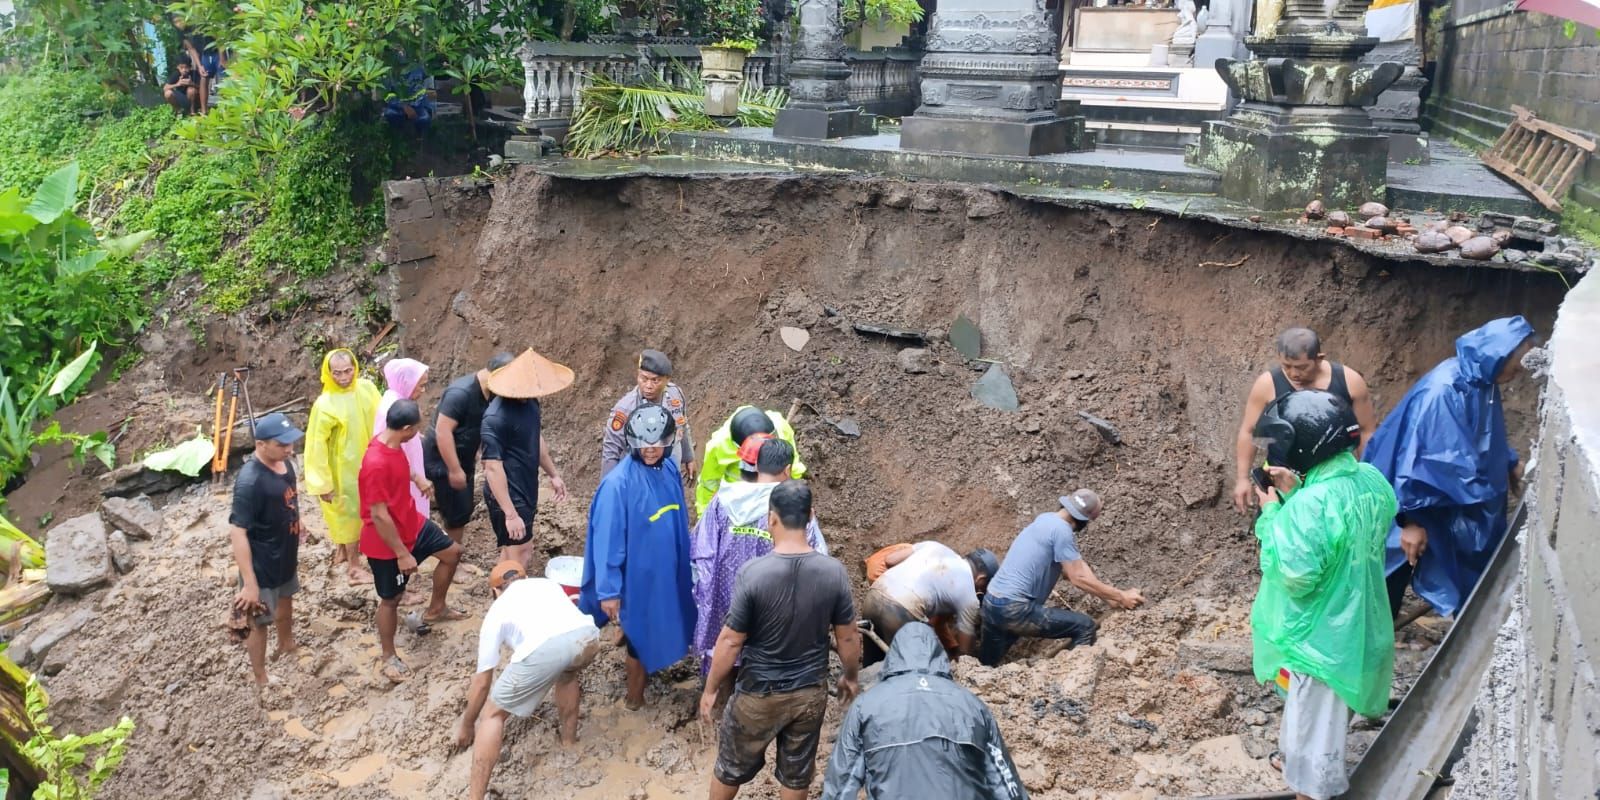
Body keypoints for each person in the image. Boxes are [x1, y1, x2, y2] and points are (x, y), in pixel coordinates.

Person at [1250, 389, 1397, 800]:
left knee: (1316, 721)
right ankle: (1297, 762)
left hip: (1321, 637)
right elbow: (1341, 531)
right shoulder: (1370, 479)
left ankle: (1310, 790)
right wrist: (1296, 494)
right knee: (1319, 712)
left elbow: (1296, 574)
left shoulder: (1309, 506)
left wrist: (1274, 512)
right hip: (1358, 622)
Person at [1362, 316, 1536, 620]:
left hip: (1439, 507)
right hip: (1408, 508)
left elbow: (1484, 436)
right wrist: (1410, 521)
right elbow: (1417, 466)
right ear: (1497, 355)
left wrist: (1509, 463)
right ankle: (1369, 649)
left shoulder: (1481, 382)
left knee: (1444, 564)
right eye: (1516, 366)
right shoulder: (1444, 392)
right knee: (1389, 577)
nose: (1516, 374)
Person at [700, 480, 860, 800]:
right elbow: (848, 636)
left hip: (758, 693)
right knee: (797, 775)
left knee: (730, 767)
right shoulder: (834, 572)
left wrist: (711, 688)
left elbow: (731, 641)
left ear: (770, 518)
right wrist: (851, 677)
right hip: (809, 693)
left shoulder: (753, 574)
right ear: (811, 516)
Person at [821, 622, 1028, 800]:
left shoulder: (865, 706)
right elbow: (1006, 786)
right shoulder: (973, 705)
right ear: (938, 655)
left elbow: (841, 785)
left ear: (893, 658)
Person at [578, 403, 697, 709]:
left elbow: (678, 516)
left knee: (665, 619)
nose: (650, 451)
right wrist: (609, 592)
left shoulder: (669, 468)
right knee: (638, 637)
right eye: (643, 445)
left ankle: (648, 654)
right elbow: (607, 542)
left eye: (657, 444)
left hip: (665, 572)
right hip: (637, 577)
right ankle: (634, 699)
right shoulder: (618, 485)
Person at [456, 561, 601, 800]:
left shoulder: (497, 609)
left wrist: (467, 723)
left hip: (548, 648)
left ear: (495, 591)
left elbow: (482, 682)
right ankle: (569, 742)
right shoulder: (547, 584)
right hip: (587, 637)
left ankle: (474, 797)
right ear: (523, 578)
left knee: (492, 715)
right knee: (567, 675)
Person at [691, 436, 828, 678]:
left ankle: (717, 696)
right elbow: (817, 556)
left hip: (727, 602)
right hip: (774, 603)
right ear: (787, 470)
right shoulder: (792, 505)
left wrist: (703, 596)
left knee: (727, 651)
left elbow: (701, 551)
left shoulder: (723, 500)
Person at [360, 399, 466, 683]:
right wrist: (402, 554)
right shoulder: (374, 463)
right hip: (386, 542)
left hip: (412, 524)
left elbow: (401, 466)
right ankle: (388, 656)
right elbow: (379, 515)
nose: (419, 429)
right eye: (416, 425)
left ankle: (437, 608)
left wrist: (417, 479)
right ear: (405, 428)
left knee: (452, 552)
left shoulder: (392, 444)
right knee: (391, 599)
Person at [977, 490, 1144, 667]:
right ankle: (1064, 681)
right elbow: (1077, 577)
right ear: (1083, 520)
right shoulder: (1063, 531)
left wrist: (1109, 598)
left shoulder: (1046, 519)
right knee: (1085, 627)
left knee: (986, 666)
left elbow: (1076, 567)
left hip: (992, 603)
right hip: (1015, 609)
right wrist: (1121, 596)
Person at [1233, 328, 1378, 513]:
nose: (1294, 374)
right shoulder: (1267, 384)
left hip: (1334, 482)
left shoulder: (1349, 381)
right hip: (1282, 481)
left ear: (1319, 358)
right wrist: (1242, 478)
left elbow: (1366, 430)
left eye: (1301, 367)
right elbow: (1248, 430)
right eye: (1286, 366)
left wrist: (1367, 475)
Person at [228, 413, 306, 690]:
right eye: (282, 444)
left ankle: (287, 644)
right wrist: (249, 583)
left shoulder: (284, 464)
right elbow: (238, 531)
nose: (289, 449)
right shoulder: (250, 482)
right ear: (261, 444)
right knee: (259, 621)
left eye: (290, 443)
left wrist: (298, 521)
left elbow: (289, 498)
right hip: (262, 563)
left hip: (285, 552)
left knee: (287, 599)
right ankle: (261, 676)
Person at [482, 348, 572, 567]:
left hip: (526, 485)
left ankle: (500, 596)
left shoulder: (530, 402)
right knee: (520, 553)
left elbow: (535, 438)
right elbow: (492, 468)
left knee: (516, 552)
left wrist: (553, 474)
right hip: (507, 493)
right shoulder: (495, 418)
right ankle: (509, 597)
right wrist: (510, 515)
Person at [305, 348, 381, 586]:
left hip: (370, 461)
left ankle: (345, 551)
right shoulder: (324, 404)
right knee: (347, 514)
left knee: (371, 509)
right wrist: (322, 482)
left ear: (355, 368)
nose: (343, 377)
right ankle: (354, 566)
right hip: (342, 469)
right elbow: (316, 445)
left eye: (348, 371)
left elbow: (382, 418)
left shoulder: (367, 389)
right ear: (328, 373)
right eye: (337, 373)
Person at [423, 352, 515, 544]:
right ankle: (451, 557)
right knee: (456, 513)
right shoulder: (461, 393)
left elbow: (477, 424)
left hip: (464, 458)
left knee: (462, 510)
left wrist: (481, 451)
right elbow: (443, 432)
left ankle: (453, 554)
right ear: (495, 376)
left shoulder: (490, 393)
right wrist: (454, 470)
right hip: (442, 461)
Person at [860, 542, 997, 662]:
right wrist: (965, 662)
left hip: (873, 595)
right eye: (984, 587)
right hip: (901, 610)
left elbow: (890, 559)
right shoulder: (969, 596)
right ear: (981, 578)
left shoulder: (934, 546)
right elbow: (965, 647)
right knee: (910, 669)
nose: (982, 591)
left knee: (872, 663)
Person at [695, 405, 809, 516]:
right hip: (739, 501)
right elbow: (708, 484)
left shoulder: (781, 428)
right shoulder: (719, 446)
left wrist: (795, 495)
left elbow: (792, 464)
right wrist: (704, 518)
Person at [601, 349, 697, 479]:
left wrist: (689, 458)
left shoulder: (675, 395)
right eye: (644, 378)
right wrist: (610, 490)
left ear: (667, 380)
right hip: (639, 478)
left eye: (655, 380)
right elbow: (611, 452)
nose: (648, 385)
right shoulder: (625, 410)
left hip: (670, 473)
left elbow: (682, 426)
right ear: (637, 376)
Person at [374, 357, 432, 519]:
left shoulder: (398, 399)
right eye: (420, 385)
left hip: (409, 474)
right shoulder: (391, 410)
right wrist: (416, 478)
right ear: (407, 383)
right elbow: (390, 456)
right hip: (403, 481)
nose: (423, 390)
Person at [172, 15, 222, 113]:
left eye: (179, 20)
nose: (178, 24)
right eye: (175, 22)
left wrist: (222, 57)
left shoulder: (197, 22)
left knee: (223, 78)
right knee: (204, 77)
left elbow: (219, 37)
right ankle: (204, 111)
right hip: (204, 54)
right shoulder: (182, 33)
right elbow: (191, 49)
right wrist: (199, 66)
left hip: (216, 50)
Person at [382, 60, 436, 136]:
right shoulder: (389, 70)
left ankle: (419, 137)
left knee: (424, 119)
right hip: (398, 107)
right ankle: (397, 137)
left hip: (419, 106)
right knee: (390, 114)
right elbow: (387, 95)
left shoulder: (421, 67)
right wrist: (403, 106)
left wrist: (429, 108)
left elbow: (429, 91)